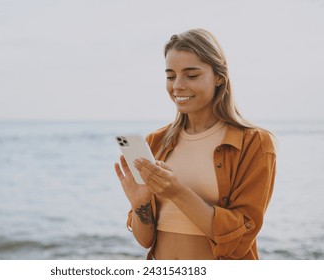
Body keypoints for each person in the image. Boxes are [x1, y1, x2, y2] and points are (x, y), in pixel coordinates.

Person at [114, 28, 276, 260]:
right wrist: (140, 204)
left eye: (191, 75)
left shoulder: (255, 143)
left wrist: (177, 192)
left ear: (219, 77)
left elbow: (241, 238)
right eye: (170, 76)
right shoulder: (156, 142)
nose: (177, 85)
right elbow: (145, 239)